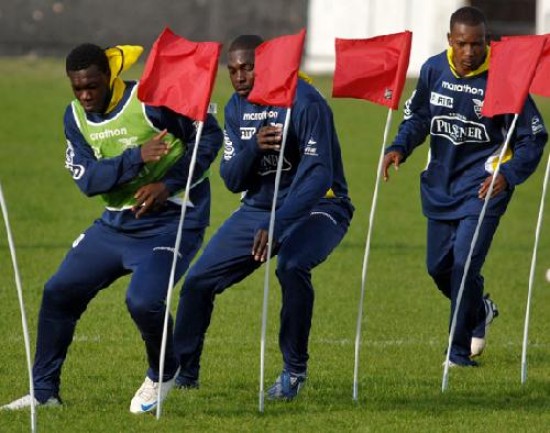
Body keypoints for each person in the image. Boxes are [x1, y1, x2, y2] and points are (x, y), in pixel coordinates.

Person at [1, 43, 223, 412]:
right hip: (115, 225)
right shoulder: (74, 118)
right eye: (78, 88)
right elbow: (88, 181)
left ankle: (164, 372)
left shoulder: (151, 100)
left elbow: (209, 137)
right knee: (58, 292)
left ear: (109, 77)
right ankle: (44, 395)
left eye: (92, 86)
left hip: (172, 221)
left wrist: (167, 184)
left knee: (143, 301)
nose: (86, 95)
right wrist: (135, 158)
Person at [173, 34, 354, 399]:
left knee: (291, 265)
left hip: (319, 206)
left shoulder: (306, 101)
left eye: (248, 68)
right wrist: (254, 147)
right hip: (258, 210)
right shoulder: (235, 108)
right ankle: (183, 374)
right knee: (196, 284)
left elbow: (319, 174)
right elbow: (230, 179)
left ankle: (294, 372)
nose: (240, 77)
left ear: (267, 65)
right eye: (233, 70)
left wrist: (279, 223)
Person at [382, 7, 547, 366]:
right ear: (449, 42)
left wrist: (511, 173)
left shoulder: (505, 76)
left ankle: (457, 354)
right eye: (462, 44)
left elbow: (533, 137)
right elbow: (419, 116)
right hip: (440, 186)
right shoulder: (433, 70)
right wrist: (399, 146)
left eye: (477, 44)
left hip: (484, 188)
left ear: (487, 42)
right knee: (438, 268)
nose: (470, 52)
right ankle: (479, 309)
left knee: (463, 266)